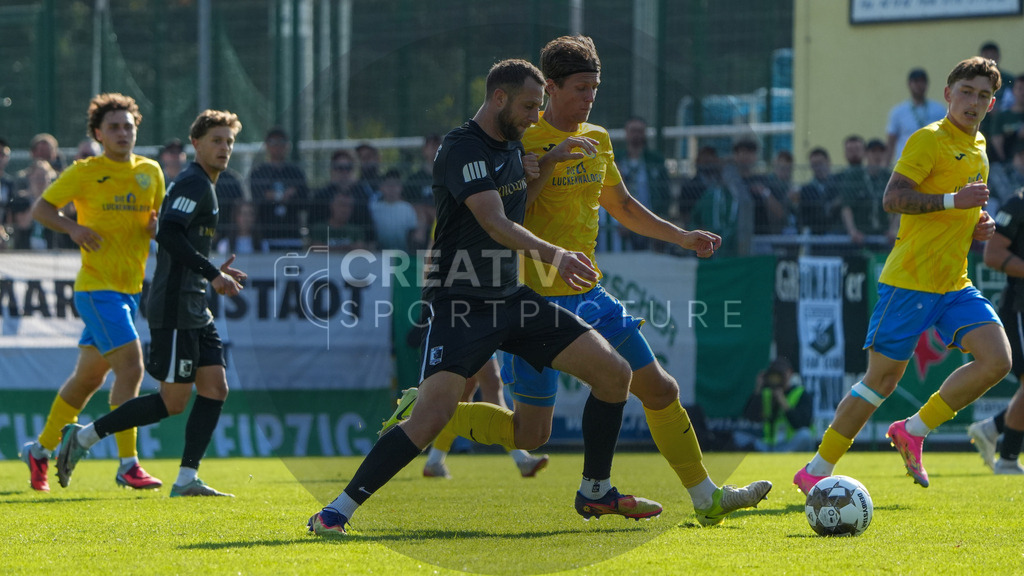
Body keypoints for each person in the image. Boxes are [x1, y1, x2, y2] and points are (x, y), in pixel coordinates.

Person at [406, 36, 770, 528]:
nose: (589, 99)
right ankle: (427, 412)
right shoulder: (516, 143)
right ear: (550, 88)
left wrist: (679, 236)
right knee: (531, 434)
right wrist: (538, 168)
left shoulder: (598, 138)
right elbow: (498, 220)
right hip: (530, 303)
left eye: (594, 89)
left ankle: (706, 497)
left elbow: (619, 205)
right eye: (580, 88)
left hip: (590, 294)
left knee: (660, 389)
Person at [308, 58, 660, 536]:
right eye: (530, 105)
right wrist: (556, 254)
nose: (538, 115)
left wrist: (548, 164)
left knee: (608, 378)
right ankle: (337, 510)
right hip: (462, 302)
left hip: (511, 296)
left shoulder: (514, 143)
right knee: (431, 418)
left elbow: (519, 200)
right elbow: (494, 220)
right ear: (499, 99)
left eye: (540, 105)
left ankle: (595, 491)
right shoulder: (461, 148)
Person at [794, 57, 1009, 494]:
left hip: (953, 282)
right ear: (948, 95)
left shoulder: (980, 146)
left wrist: (977, 225)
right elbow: (894, 199)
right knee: (881, 381)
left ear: (991, 103)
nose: (974, 101)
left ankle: (913, 429)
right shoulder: (927, 140)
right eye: (966, 91)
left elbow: (960, 209)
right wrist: (955, 203)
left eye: (984, 95)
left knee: (997, 360)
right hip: (910, 280)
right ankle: (816, 469)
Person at [55, 109, 246, 497]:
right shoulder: (193, 183)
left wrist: (209, 270)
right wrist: (211, 273)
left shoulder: (204, 184)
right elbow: (170, 235)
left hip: (195, 305)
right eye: (216, 140)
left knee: (215, 387)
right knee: (172, 402)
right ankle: (84, 438)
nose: (224, 147)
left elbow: (177, 235)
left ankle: (187, 478)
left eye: (229, 141)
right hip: (176, 307)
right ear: (196, 143)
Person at [18, 93, 166, 492]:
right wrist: (74, 228)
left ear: (136, 131)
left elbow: (154, 224)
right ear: (99, 134)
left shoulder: (151, 173)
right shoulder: (85, 172)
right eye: (114, 127)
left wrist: (155, 230)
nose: (122, 133)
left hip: (129, 290)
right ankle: (128, 464)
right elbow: (42, 210)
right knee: (133, 367)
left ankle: (40, 450)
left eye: (128, 126)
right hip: (97, 289)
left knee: (86, 381)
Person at [966, 187, 1024, 475]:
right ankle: (1009, 458)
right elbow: (992, 254)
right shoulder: (1018, 203)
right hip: (1020, 305)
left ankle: (992, 429)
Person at [420, 355, 550, 479]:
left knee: (461, 400)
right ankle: (521, 459)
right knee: (491, 386)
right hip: (468, 335)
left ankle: (434, 461)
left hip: (476, 335)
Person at [605, 116, 671, 251]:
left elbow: (665, 192)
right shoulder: (616, 158)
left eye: (640, 131)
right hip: (624, 219)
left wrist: (662, 215)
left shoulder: (655, 160)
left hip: (649, 217)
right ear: (626, 133)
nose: (636, 135)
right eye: (633, 130)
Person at [736, 357, 814, 452]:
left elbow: (802, 423)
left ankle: (782, 457)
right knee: (739, 436)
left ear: (790, 373)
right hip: (768, 444)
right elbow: (750, 417)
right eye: (774, 375)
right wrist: (758, 389)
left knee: (805, 435)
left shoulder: (801, 393)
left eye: (780, 374)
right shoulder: (766, 393)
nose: (777, 378)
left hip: (790, 444)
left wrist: (783, 402)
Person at [248, 127, 308, 247]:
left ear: (288, 146)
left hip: (292, 233)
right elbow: (258, 198)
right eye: (273, 143)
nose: (278, 147)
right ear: (266, 146)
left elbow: (304, 200)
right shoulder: (259, 172)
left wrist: (274, 196)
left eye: (282, 143)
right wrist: (283, 195)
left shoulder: (296, 172)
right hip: (265, 234)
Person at [885, 68, 947, 167]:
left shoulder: (939, 110)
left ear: (927, 85)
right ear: (909, 84)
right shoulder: (898, 112)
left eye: (922, 81)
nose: (919, 85)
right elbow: (891, 141)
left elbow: (947, 136)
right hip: (907, 164)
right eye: (916, 81)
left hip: (933, 162)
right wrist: (886, 165)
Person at [836, 135, 891, 245]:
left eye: (881, 152)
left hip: (883, 235)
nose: (877, 156)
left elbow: (898, 208)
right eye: (873, 152)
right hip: (861, 235)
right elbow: (847, 207)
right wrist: (852, 231)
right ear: (866, 154)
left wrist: (893, 230)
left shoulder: (888, 176)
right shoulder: (855, 176)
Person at [369, 168, 422, 251]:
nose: (392, 188)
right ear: (381, 187)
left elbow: (413, 233)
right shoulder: (374, 208)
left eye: (396, 184)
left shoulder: (408, 209)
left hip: (403, 253)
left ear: (401, 187)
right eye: (388, 184)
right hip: (378, 253)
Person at [797, 147, 837, 234]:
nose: (818, 168)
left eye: (820, 163)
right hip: (816, 235)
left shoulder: (839, 184)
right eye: (814, 164)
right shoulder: (806, 190)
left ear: (828, 163)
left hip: (836, 233)